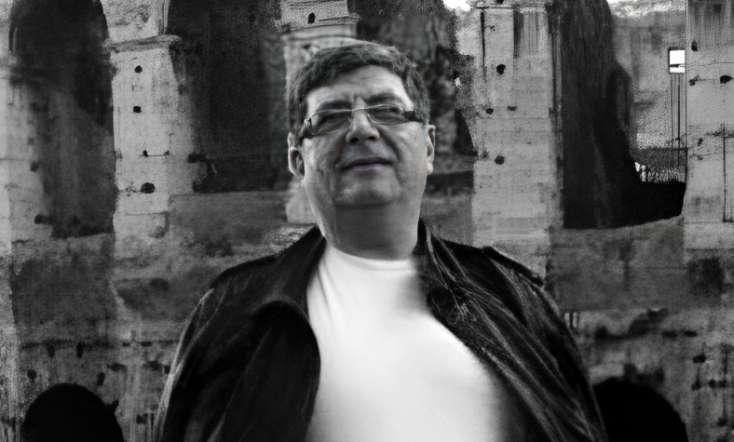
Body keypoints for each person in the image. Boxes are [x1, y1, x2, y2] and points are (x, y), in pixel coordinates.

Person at [154, 41, 606, 442]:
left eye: (388, 110)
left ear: (428, 147)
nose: (362, 129)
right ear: (298, 159)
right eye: (330, 117)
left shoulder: (515, 299)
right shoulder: (229, 313)